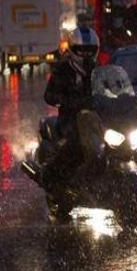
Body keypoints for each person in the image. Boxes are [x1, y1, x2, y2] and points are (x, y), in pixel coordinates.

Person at [42, 27, 101, 182]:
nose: (86, 54)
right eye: (82, 50)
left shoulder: (99, 70)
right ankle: (53, 178)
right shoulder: (63, 70)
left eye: (90, 50)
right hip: (71, 118)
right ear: (73, 50)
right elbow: (49, 95)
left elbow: (112, 87)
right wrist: (65, 100)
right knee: (73, 143)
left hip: (96, 118)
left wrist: (127, 98)